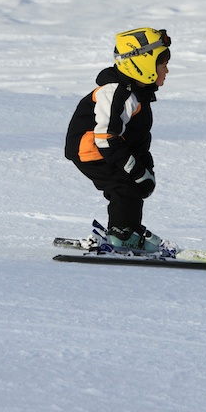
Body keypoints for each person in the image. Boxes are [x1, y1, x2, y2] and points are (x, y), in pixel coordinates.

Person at [64, 27, 172, 253]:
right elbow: (106, 137)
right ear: (143, 64)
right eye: (162, 64)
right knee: (123, 184)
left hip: (110, 148)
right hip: (92, 148)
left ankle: (128, 230)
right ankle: (121, 234)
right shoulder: (116, 92)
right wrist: (134, 170)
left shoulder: (138, 95)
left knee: (132, 184)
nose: (167, 70)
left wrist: (146, 170)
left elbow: (138, 139)